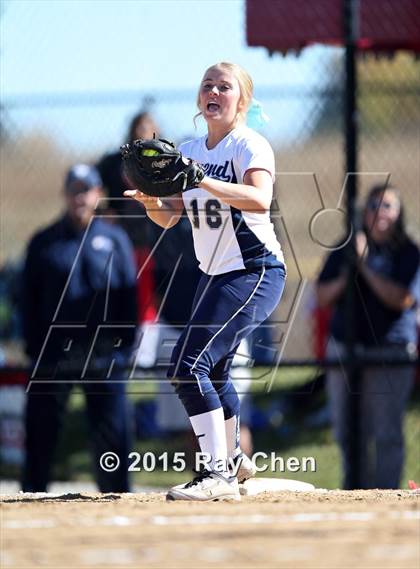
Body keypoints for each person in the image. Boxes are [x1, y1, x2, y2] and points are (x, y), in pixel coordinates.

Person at [124, 61, 286, 501]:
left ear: (242, 101)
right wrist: (151, 201)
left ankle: (216, 475)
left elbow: (258, 199)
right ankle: (231, 460)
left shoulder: (251, 145)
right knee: (210, 368)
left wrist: (202, 178)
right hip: (214, 274)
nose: (214, 91)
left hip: (255, 270)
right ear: (200, 99)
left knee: (186, 365)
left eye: (224, 86)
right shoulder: (191, 150)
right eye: (207, 85)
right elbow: (170, 215)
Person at [21, 164, 137, 492]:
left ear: (98, 194)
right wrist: (35, 348)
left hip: (104, 356)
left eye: (86, 190)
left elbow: (128, 296)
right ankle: (32, 495)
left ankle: (117, 498)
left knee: (113, 436)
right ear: (65, 194)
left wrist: (124, 347)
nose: (80, 197)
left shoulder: (115, 240)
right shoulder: (44, 242)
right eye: (74, 190)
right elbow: (28, 300)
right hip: (54, 354)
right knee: (41, 433)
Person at [316, 184, 419, 489]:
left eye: (387, 206)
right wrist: (349, 273)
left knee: (386, 432)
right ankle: (354, 491)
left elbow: (400, 299)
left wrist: (364, 266)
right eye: (374, 206)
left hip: (389, 348)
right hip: (345, 346)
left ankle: (386, 494)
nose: (380, 213)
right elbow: (321, 296)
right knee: (347, 430)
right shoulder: (344, 247)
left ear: (398, 214)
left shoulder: (408, 251)